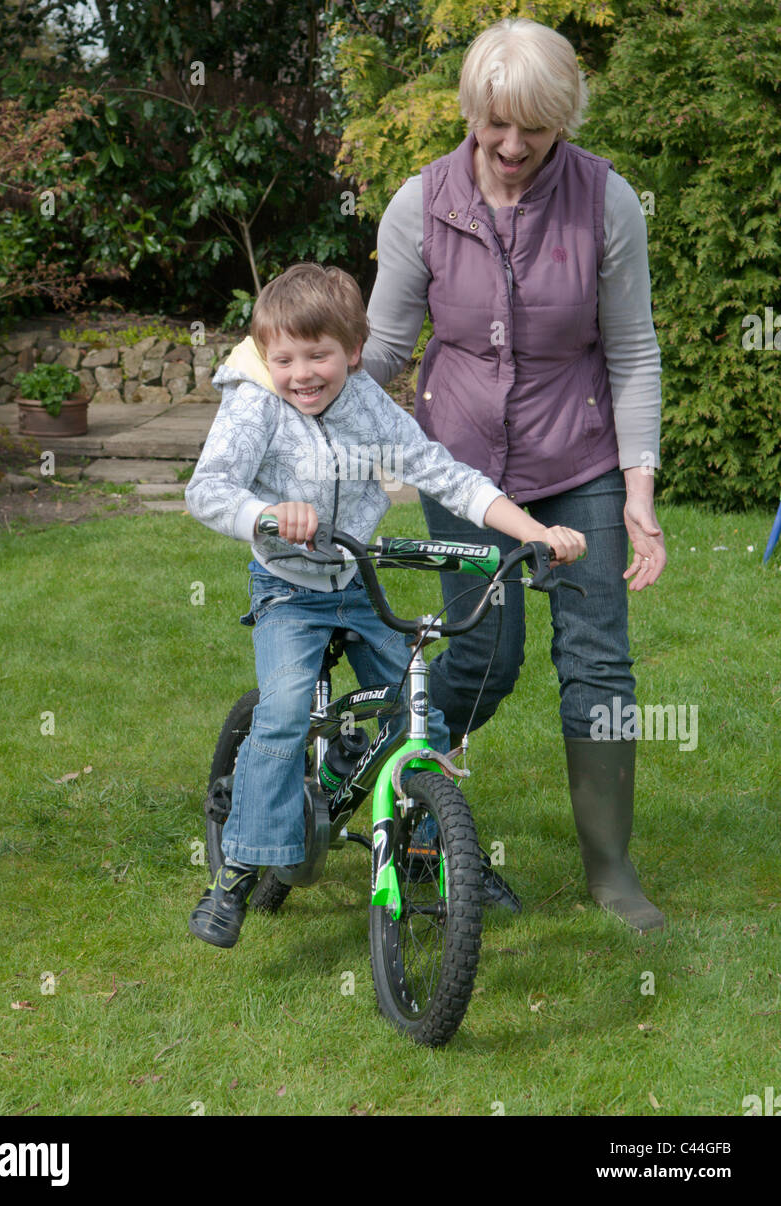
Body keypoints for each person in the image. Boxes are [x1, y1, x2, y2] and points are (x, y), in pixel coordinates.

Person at [363, 17, 666, 932]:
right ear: (470, 111)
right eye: (493, 123)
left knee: (599, 663)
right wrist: (307, 429)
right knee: (488, 655)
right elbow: (379, 348)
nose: (509, 145)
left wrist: (639, 499)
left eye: (533, 127)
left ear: (562, 117)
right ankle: (393, 771)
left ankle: (610, 868)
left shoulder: (605, 202)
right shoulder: (422, 205)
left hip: (578, 462)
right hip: (459, 465)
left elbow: (633, 353)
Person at [184, 262, 586, 948]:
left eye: (319, 356)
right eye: (284, 358)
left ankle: (437, 851)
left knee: (416, 709)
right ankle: (238, 869)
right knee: (281, 714)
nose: (301, 373)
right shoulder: (255, 403)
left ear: (353, 351)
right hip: (288, 588)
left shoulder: (367, 404)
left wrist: (534, 532)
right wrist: (267, 514)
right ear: (263, 354)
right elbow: (208, 488)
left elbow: (443, 473)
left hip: (353, 580)